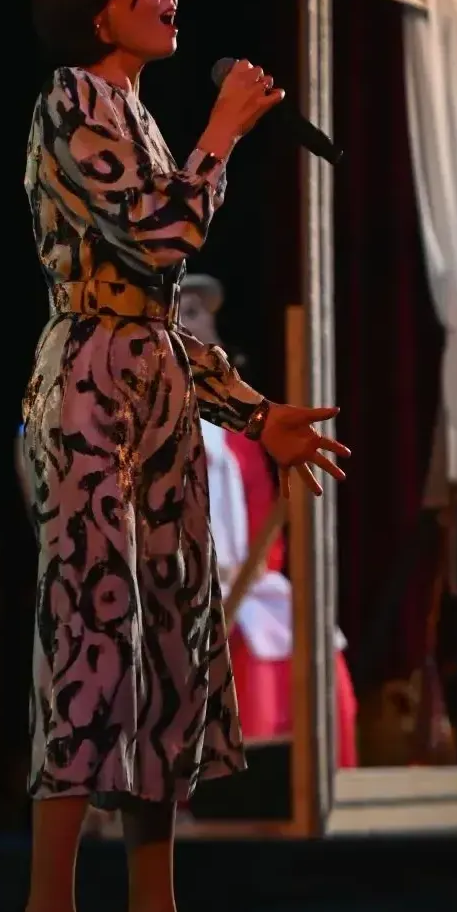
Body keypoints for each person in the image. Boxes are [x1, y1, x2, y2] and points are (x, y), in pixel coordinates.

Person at [6, 0, 350, 912]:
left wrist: (256, 414)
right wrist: (226, 131)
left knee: (174, 653)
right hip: (87, 407)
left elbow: (153, 314)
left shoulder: (141, 119)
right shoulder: (70, 103)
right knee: (93, 644)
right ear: (97, 6)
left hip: (153, 398)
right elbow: (158, 243)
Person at [180, 274, 359, 762]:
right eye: (185, 315)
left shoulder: (237, 433)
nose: (199, 329)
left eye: (202, 316)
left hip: (243, 581)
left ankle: (323, 778)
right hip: (181, 589)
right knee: (246, 665)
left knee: (313, 645)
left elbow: (262, 507)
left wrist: (260, 565)